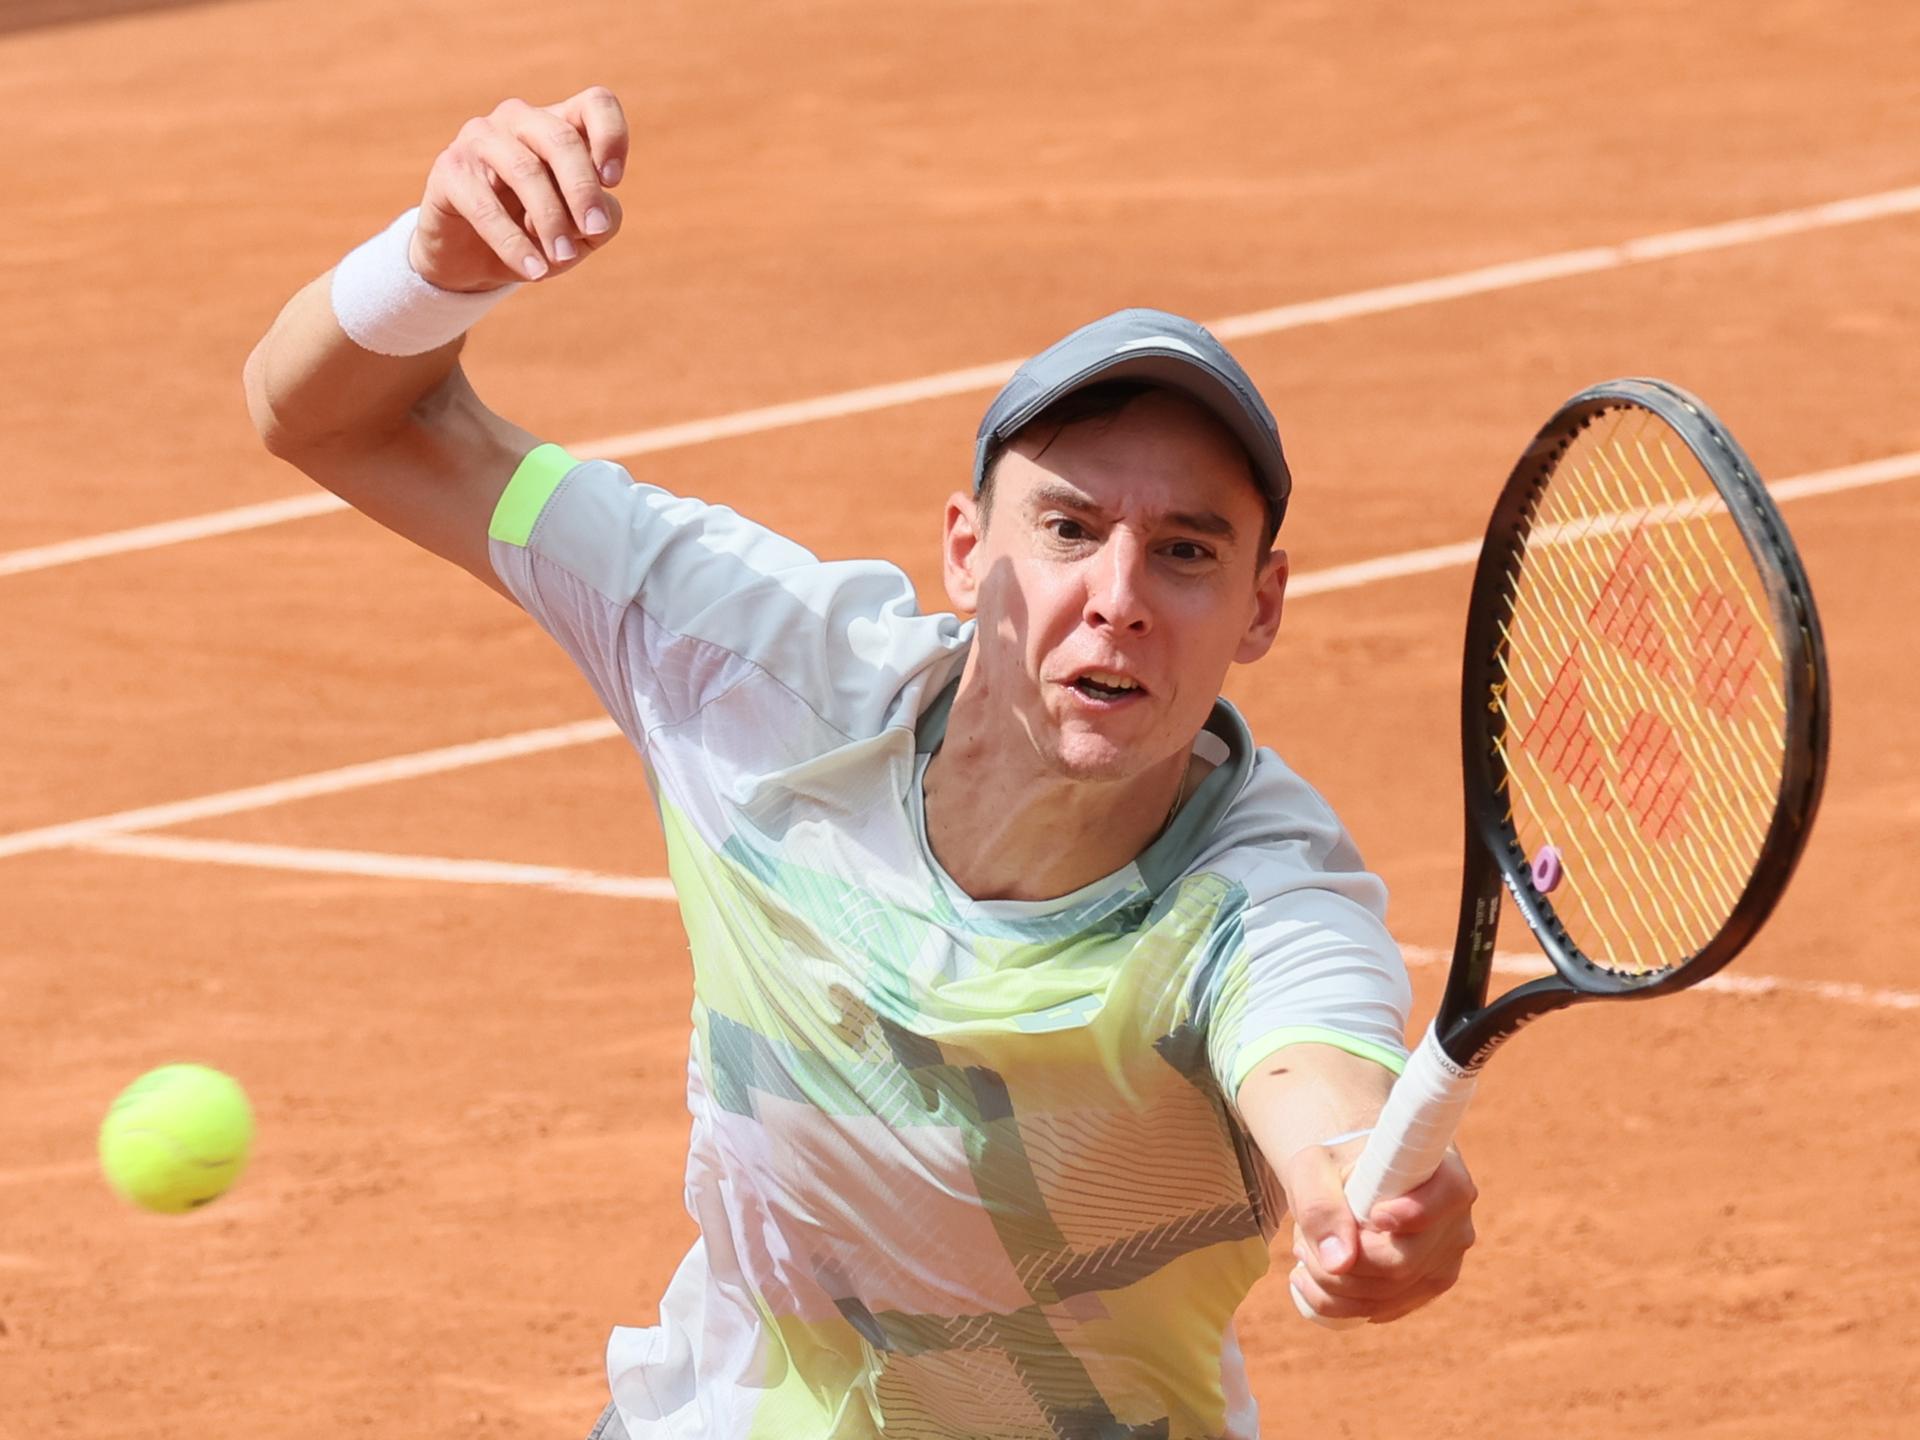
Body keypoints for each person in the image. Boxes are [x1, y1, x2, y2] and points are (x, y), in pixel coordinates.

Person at [245, 87, 1476, 1440]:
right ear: (966, 551)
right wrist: (433, 267)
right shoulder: (744, 655)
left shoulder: (1262, 901)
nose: (1119, 598)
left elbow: (1317, 1081)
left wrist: (1361, 1191)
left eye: (1186, 551)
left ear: (1260, 606)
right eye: (1068, 529)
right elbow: (334, 417)